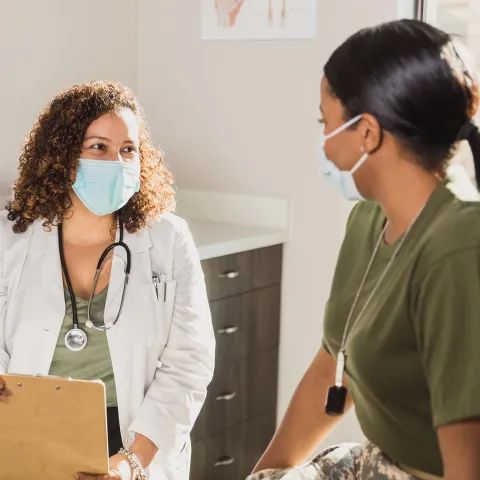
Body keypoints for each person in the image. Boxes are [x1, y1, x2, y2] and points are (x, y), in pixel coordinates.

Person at [251, 19, 480, 480]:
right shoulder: (369, 219)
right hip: (379, 460)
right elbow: (332, 369)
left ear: (367, 133)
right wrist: (263, 476)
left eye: (326, 123)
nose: (324, 143)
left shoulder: (458, 247)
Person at [0, 81, 215, 479]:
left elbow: (190, 362)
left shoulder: (167, 239)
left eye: (128, 149)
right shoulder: (9, 241)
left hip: (138, 436)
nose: (117, 161)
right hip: (29, 429)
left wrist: (133, 462)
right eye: (99, 147)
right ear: (60, 156)